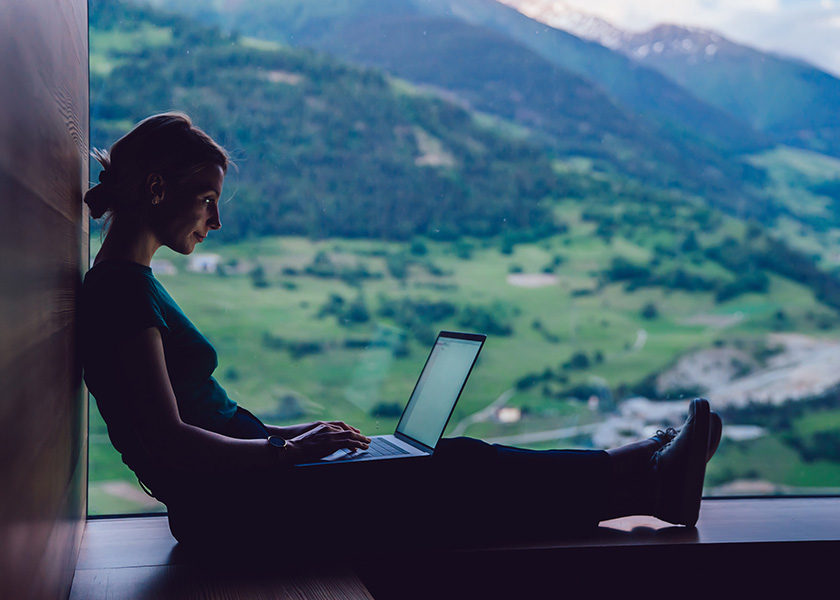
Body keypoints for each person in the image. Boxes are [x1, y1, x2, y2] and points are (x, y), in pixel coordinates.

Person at [81, 113, 722, 550]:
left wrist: (294, 435)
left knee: (447, 467)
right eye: (207, 199)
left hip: (251, 484)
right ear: (158, 187)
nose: (215, 220)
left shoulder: (128, 283)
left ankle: (646, 467)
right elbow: (167, 440)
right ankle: (646, 475)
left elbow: (203, 418)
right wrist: (284, 455)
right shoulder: (120, 290)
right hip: (237, 507)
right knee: (458, 472)